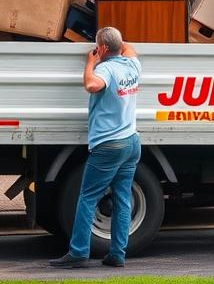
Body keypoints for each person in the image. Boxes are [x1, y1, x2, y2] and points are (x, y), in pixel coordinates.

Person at [50, 27, 142, 269]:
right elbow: (128, 48)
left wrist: (90, 62)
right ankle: (117, 254)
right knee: (123, 199)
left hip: (109, 145)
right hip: (132, 142)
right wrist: (113, 45)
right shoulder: (133, 66)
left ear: (101, 48)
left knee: (88, 197)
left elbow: (92, 85)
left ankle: (79, 252)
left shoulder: (106, 69)